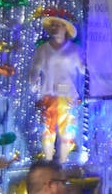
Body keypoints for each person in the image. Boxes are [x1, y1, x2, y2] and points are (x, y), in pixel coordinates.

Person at [28, 15, 84, 164]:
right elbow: (35, 69)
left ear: (65, 28)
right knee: (47, 130)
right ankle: (48, 161)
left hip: (68, 95)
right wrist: (34, 85)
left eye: (57, 25)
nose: (54, 28)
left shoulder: (74, 50)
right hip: (49, 93)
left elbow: (83, 70)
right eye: (52, 25)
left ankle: (63, 163)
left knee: (68, 130)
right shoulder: (43, 49)